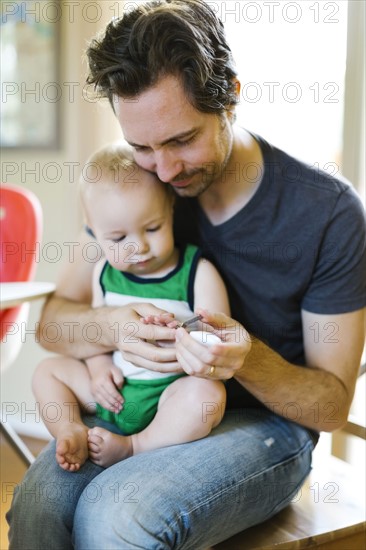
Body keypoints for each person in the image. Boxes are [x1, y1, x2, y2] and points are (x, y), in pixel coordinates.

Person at [7, 0, 366, 548]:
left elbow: (331, 405)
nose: (165, 171)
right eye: (142, 146)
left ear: (232, 97)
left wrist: (245, 359)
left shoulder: (329, 215)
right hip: (136, 405)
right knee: (38, 506)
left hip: (266, 427)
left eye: (181, 140)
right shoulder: (133, 189)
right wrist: (114, 328)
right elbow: (53, 325)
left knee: (114, 516)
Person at [32, 143, 228, 471]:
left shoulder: (197, 271)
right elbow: (94, 332)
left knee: (208, 397)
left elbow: (216, 332)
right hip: (114, 391)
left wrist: (181, 335)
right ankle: (70, 428)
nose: (138, 246)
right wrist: (97, 369)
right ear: (95, 235)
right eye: (118, 239)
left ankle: (137, 445)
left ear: (170, 212)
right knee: (47, 372)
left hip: (168, 395)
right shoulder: (104, 274)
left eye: (152, 228)